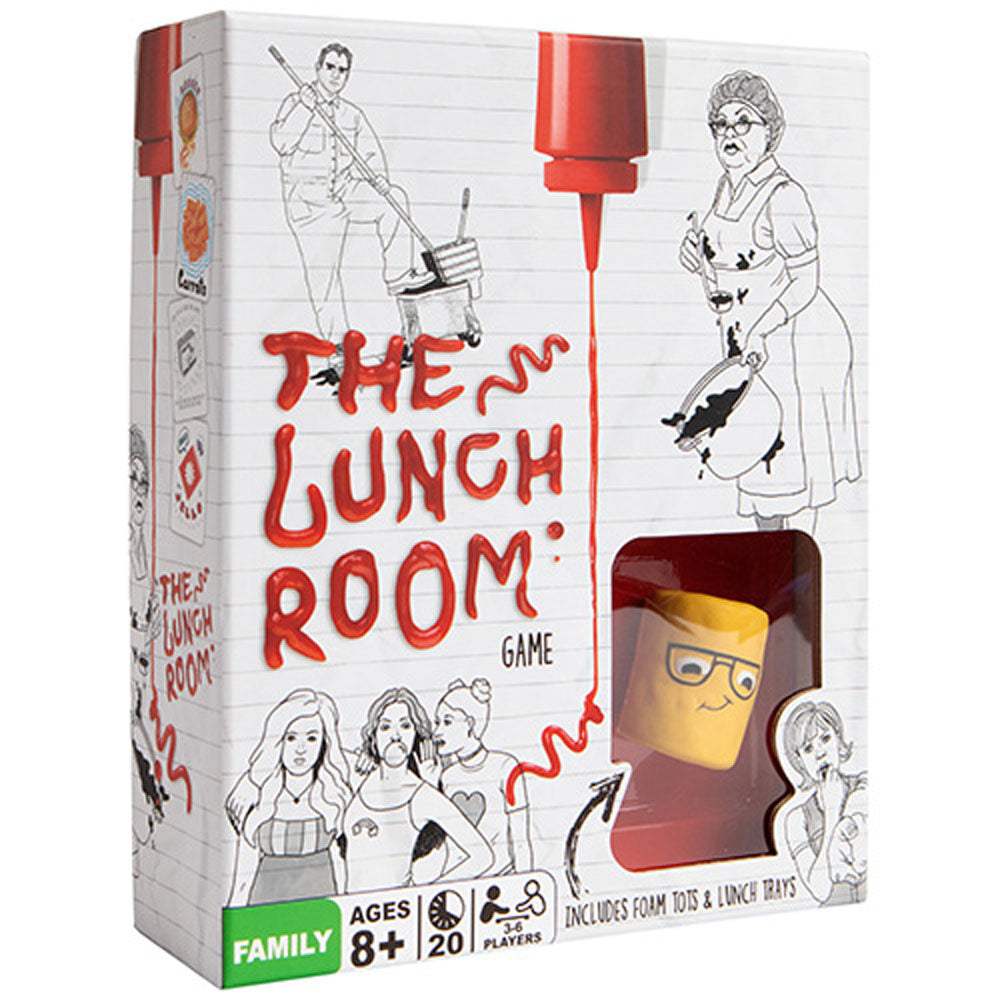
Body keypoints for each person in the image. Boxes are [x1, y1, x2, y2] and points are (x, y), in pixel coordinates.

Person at [679, 71, 861, 533]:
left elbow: (805, 279)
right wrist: (696, 257)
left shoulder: (784, 196)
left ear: (770, 130)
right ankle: (770, 561)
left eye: (743, 121)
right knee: (756, 461)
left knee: (787, 466)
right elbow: (726, 266)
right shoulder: (725, 187)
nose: (730, 133)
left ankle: (793, 566)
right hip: (747, 336)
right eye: (721, 124)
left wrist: (761, 329)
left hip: (794, 337)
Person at [269, 43, 420, 362]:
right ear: (317, 68)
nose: (336, 75)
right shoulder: (296, 103)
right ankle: (339, 352)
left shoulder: (351, 114)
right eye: (330, 67)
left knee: (393, 198)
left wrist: (379, 179)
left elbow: (370, 153)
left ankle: (399, 276)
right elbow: (280, 143)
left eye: (342, 70)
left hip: (345, 190)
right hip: (310, 203)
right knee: (324, 278)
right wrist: (304, 108)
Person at [344, 687, 494, 892]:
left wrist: (428, 894)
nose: (395, 736)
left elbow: (482, 856)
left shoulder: (422, 795)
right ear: (374, 735)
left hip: (397, 907)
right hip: (350, 906)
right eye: (385, 727)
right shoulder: (360, 779)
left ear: (416, 735)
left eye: (405, 726)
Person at [227, 689, 352, 906]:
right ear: (278, 741)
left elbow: (344, 871)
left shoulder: (334, 799)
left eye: (311, 738)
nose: (301, 749)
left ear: (324, 743)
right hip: (265, 909)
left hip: (322, 909)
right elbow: (243, 876)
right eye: (291, 737)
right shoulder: (259, 799)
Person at [433, 678, 533, 874]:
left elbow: (520, 840)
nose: (437, 731)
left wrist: (525, 880)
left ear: (470, 724)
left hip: (501, 879)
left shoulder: (505, 767)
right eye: (437, 722)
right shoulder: (447, 777)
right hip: (457, 880)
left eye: (447, 722)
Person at [782, 701, 867, 904]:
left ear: (838, 739)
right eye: (808, 749)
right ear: (799, 760)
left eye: (826, 739)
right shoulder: (796, 819)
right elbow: (820, 891)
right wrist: (832, 813)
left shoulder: (864, 786)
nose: (820, 753)